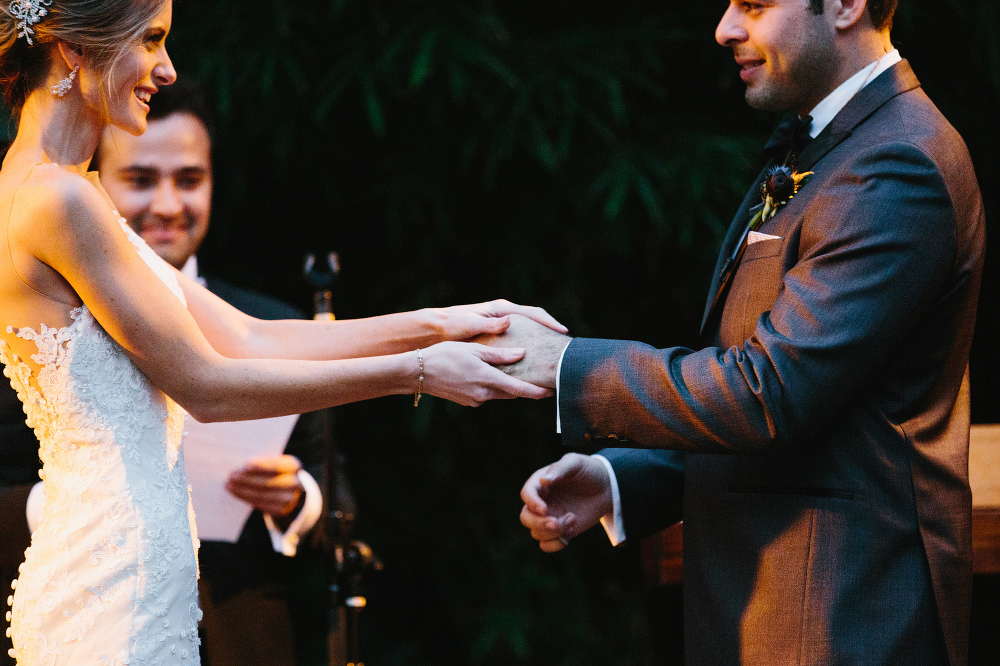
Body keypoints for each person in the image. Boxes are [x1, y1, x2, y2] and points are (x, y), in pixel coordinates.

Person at [0, 2, 562, 665]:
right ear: (75, 50)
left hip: (129, 567)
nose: (168, 69)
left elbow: (248, 337)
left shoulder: (55, 188)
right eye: (151, 40)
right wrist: (417, 373)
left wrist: (443, 324)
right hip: (112, 582)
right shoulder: (60, 201)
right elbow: (207, 384)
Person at [500, 1, 985, 664]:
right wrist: (626, 482)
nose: (726, 28)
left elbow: (767, 395)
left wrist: (566, 365)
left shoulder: (896, 164)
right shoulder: (830, 144)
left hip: (841, 627)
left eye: (754, 4)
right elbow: (822, 411)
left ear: (846, 5)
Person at [92, 76, 327, 666]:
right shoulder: (42, 324)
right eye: (141, 180)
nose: (169, 206)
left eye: (189, 180)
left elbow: (335, 495)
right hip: (85, 626)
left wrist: (295, 498)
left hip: (236, 630)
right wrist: (72, 499)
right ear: (93, 186)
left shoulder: (274, 324)